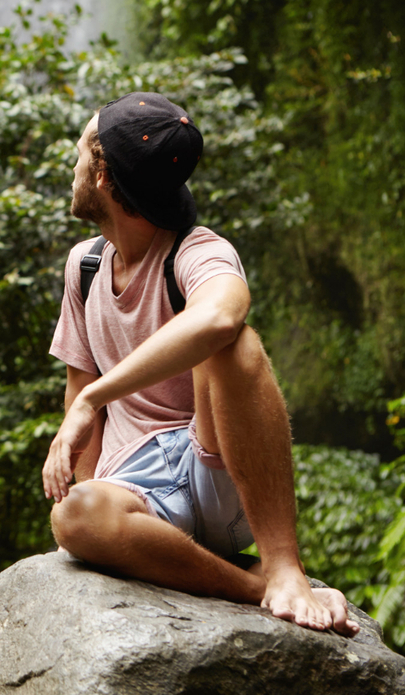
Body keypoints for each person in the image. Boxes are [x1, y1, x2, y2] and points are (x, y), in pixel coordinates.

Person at [42, 91, 359, 637]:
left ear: (100, 175)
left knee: (235, 343)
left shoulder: (197, 251)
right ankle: (256, 586)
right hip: (138, 488)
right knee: (74, 515)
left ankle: (284, 564)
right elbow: (80, 390)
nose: (70, 167)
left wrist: (95, 400)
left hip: (215, 469)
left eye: (77, 155)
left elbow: (219, 316)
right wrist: (91, 500)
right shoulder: (85, 266)